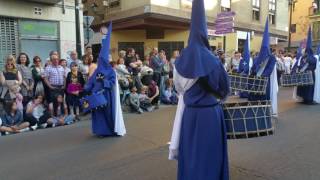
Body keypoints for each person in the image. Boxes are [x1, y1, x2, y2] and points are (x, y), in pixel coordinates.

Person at [169, 0, 230, 179]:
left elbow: (179, 89)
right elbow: (225, 90)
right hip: (211, 114)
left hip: (191, 114)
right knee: (211, 153)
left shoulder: (179, 62)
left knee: (191, 154)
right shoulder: (215, 61)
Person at [84, 22, 126, 137]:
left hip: (107, 95)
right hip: (96, 95)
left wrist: (104, 81)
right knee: (98, 114)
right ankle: (100, 131)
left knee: (107, 113)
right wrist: (86, 88)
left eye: (102, 60)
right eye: (100, 60)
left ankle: (109, 130)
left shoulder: (111, 71)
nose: (100, 61)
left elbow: (112, 83)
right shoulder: (97, 70)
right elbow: (91, 81)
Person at [249, 18, 278, 116]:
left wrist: (261, 76)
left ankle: (264, 115)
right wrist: (253, 73)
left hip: (265, 82)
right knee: (254, 98)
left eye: (265, 48)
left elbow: (269, 70)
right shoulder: (257, 58)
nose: (263, 50)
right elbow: (253, 69)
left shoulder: (272, 58)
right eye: (262, 48)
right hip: (256, 82)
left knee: (264, 98)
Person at [293, 27, 318, 104]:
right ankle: (306, 99)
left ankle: (306, 98)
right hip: (307, 74)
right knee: (306, 86)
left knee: (306, 86)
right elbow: (300, 64)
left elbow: (312, 66)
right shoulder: (307, 57)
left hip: (306, 73)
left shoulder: (309, 57)